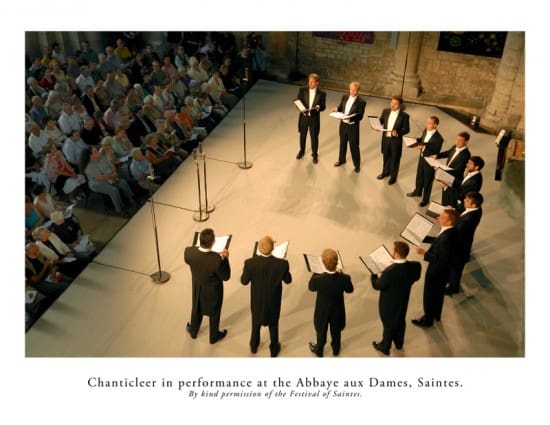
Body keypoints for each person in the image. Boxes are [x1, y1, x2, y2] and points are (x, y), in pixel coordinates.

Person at [240, 235, 292, 357]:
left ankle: (254, 345)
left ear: (258, 248)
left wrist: (246, 270)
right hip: (273, 302)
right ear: (273, 248)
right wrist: (284, 269)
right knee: (273, 324)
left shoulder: (250, 263)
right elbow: (288, 280)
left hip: (257, 301)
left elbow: (244, 281)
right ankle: (274, 349)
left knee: (255, 323)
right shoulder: (282, 264)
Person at [370, 241, 421, 355]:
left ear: (396, 254)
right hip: (403, 300)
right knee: (400, 320)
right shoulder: (415, 266)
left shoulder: (389, 272)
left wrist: (373, 274)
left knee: (388, 323)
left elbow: (377, 285)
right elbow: (416, 277)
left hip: (388, 303)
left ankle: (385, 346)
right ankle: (398, 343)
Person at [412, 209, 459, 328]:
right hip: (444, 273)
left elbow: (441, 260)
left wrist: (424, 254)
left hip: (436, 272)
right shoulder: (450, 231)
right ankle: (436, 314)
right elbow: (437, 240)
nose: (438, 218)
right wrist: (424, 238)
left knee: (429, 295)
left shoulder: (446, 238)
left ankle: (427, 319)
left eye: (442, 217)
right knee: (438, 295)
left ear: (449, 222)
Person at [184, 228, 231, 344]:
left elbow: (189, 260)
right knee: (214, 312)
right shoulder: (216, 260)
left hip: (197, 287)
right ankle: (213, 336)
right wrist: (225, 259)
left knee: (196, 308)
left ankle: (193, 331)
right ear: (213, 242)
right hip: (213, 291)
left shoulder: (189, 252)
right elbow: (226, 276)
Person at [308, 248, 354, 357]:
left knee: (321, 332)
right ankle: (336, 350)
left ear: (323, 263)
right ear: (337, 262)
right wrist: (342, 274)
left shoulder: (318, 280)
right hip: (337, 311)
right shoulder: (345, 278)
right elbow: (350, 290)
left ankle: (319, 350)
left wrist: (316, 272)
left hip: (322, 311)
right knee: (336, 332)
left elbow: (311, 287)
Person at [445, 192, 483, 295]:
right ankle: (450, 281)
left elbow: (456, 231)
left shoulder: (467, 221)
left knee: (456, 268)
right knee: (455, 267)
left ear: (474, 204)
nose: (464, 200)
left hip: (460, 247)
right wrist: (453, 211)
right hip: (463, 243)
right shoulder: (477, 209)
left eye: (467, 200)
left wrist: (447, 221)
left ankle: (453, 288)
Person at [406, 116, 444, 206]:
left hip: (429, 161)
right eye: (427, 122)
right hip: (422, 158)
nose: (427, 124)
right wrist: (415, 140)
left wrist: (424, 147)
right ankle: (417, 191)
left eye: (430, 123)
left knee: (427, 181)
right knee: (419, 176)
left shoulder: (439, 138)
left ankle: (425, 200)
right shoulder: (425, 130)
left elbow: (436, 152)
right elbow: (422, 139)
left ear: (435, 125)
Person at [332, 80, 366, 172]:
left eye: (355, 90)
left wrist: (349, 118)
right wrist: (336, 109)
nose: (352, 92)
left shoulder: (361, 102)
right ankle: (341, 160)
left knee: (354, 146)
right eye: (351, 90)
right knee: (342, 143)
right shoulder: (345, 96)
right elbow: (340, 107)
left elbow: (360, 116)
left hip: (352, 127)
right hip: (343, 125)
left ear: (358, 90)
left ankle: (357, 165)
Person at [377, 96, 410, 184]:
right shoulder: (385, 111)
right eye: (392, 103)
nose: (393, 105)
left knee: (395, 159)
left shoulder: (404, 116)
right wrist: (376, 126)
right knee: (386, 156)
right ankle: (385, 172)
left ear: (400, 105)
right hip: (386, 139)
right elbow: (381, 121)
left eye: (395, 104)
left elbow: (407, 129)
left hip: (396, 141)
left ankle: (393, 177)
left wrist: (398, 133)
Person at [295, 73, 326, 165]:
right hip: (304, 117)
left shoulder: (322, 93)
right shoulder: (302, 90)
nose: (310, 84)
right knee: (302, 135)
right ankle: (302, 151)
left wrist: (319, 107)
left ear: (317, 83)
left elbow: (323, 106)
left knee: (314, 137)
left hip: (314, 118)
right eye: (309, 81)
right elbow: (298, 102)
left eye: (313, 82)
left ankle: (315, 154)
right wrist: (301, 108)